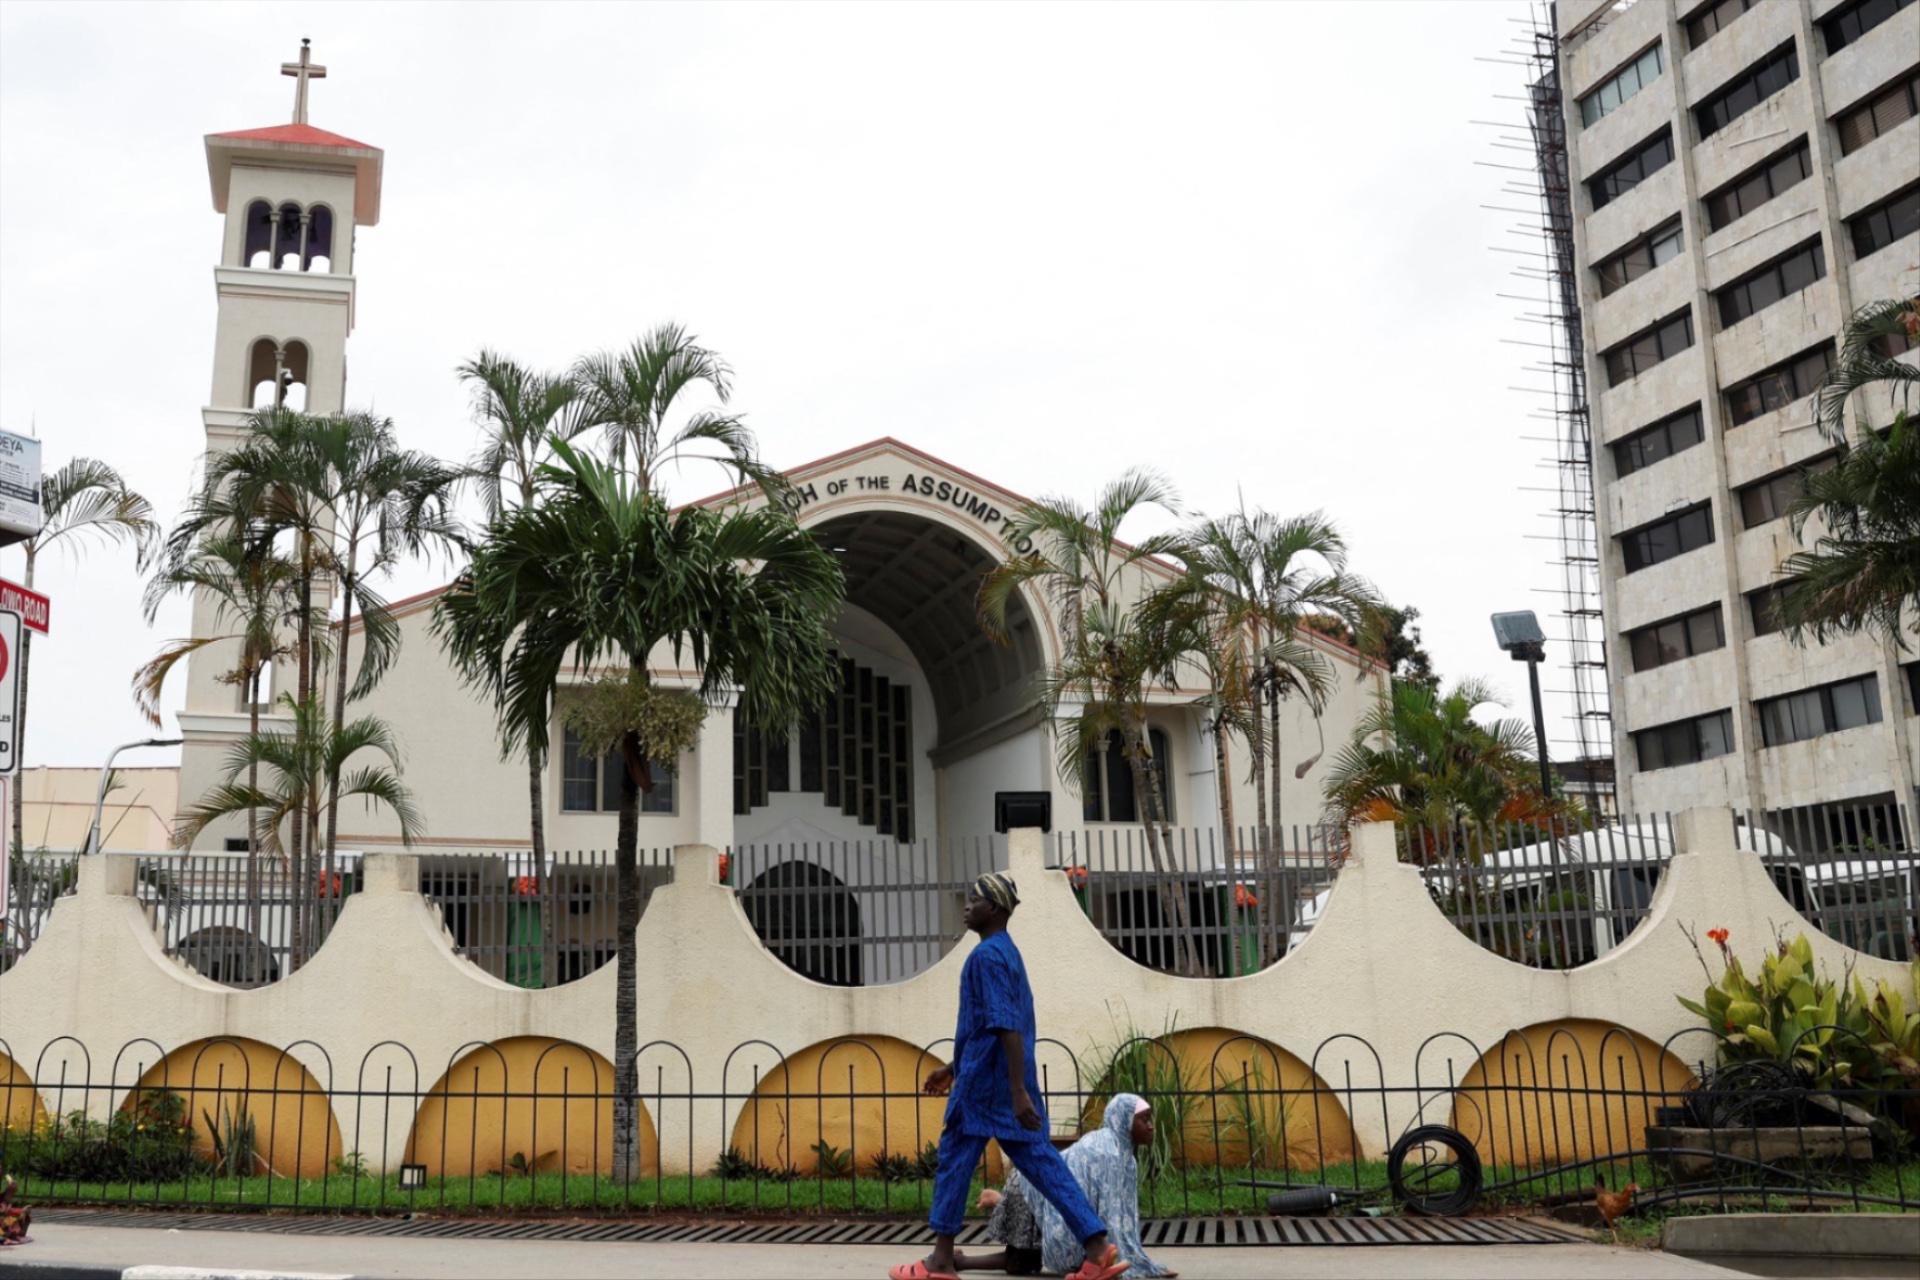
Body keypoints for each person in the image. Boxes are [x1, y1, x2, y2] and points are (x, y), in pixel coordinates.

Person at [889, 873, 1129, 1280]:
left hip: (985, 1088)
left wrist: (1016, 1091)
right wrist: (953, 1068)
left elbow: (1005, 1025)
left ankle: (941, 1262)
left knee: (954, 1162)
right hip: (1001, 1080)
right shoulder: (1008, 953)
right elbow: (990, 1027)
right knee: (1045, 1165)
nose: (967, 906)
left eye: (976, 900)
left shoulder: (986, 957)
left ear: (995, 908)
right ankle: (1098, 1248)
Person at [960, 1094, 1174, 1278]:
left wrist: (1142, 1264)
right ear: (1123, 1119)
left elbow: (1120, 1216)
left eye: (1150, 1119)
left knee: (1027, 1261)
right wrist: (1130, 1265)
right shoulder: (1108, 1152)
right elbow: (1110, 1217)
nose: (1151, 1125)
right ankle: (958, 1259)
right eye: (1143, 1119)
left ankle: (994, 1205)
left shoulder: (1125, 1158)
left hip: (1047, 1194)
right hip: (1029, 1187)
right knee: (1019, 1264)